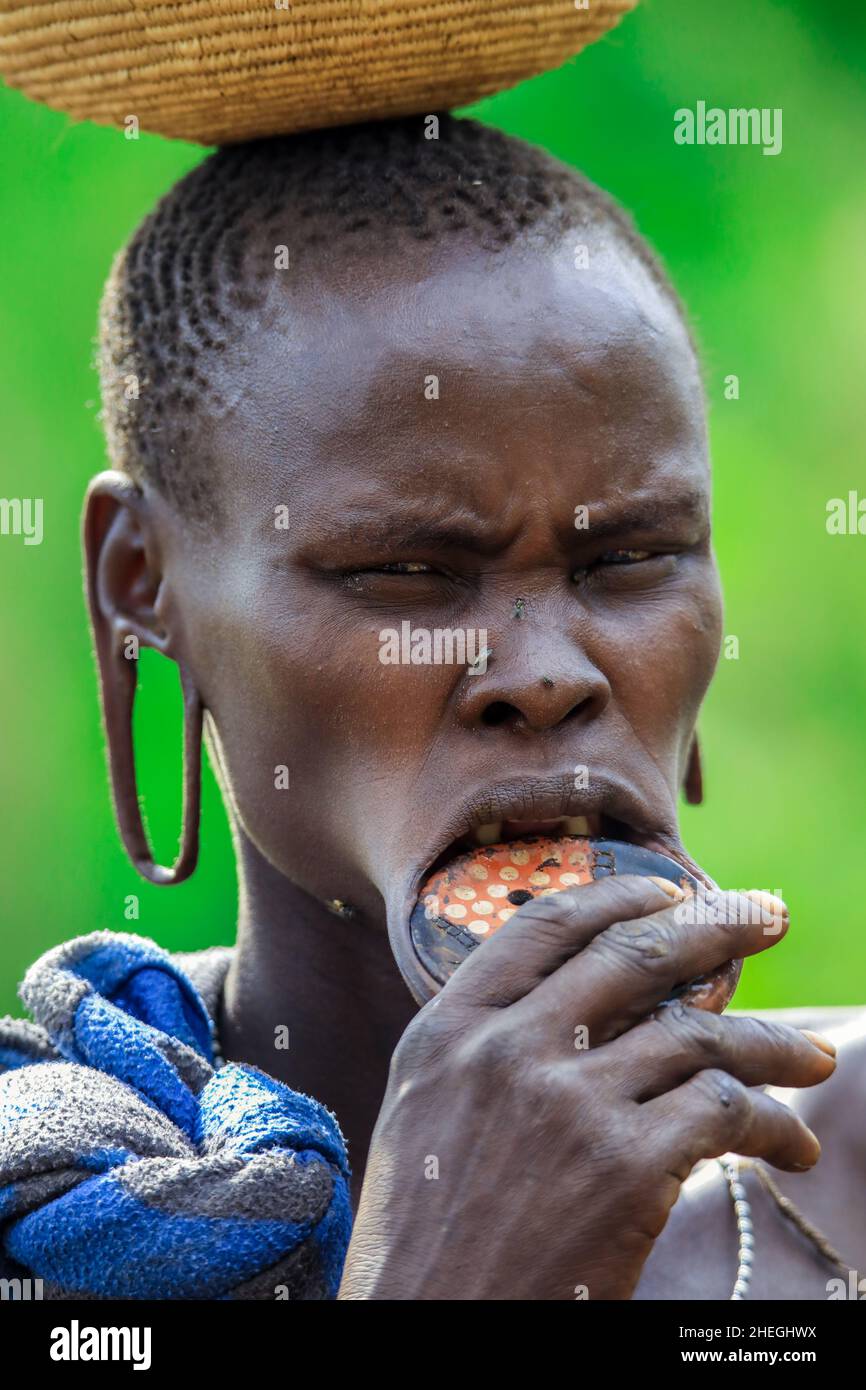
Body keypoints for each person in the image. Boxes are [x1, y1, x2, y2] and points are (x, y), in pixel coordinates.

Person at [1, 114, 860, 1300]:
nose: (547, 672)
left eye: (631, 559)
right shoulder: (48, 1217)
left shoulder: (851, 1153)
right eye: (404, 573)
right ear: (141, 584)